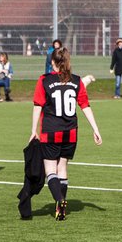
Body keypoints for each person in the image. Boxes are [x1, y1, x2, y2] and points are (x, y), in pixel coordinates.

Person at [30, 47, 102, 221]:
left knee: (50, 171)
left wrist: (33, 130)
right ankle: (60, 207)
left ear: (53, 63)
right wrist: (95, 129)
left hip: (51, 131)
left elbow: (38, 105)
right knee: (62, 167)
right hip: (71, 132)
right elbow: (85, 105)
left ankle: (59, 199)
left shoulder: (44, 80)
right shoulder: (77, 81)